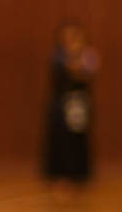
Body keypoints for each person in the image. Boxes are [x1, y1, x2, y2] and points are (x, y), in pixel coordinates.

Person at [42, 21, 99, 198]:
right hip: (62, 105)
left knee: (79, 139)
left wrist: (78, 55)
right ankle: (61, 176)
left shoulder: (89, 54)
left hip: (80, 104)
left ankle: (80, 175)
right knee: (61, 140)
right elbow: (67, 70)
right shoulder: (58, 55)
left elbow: (87, 71)